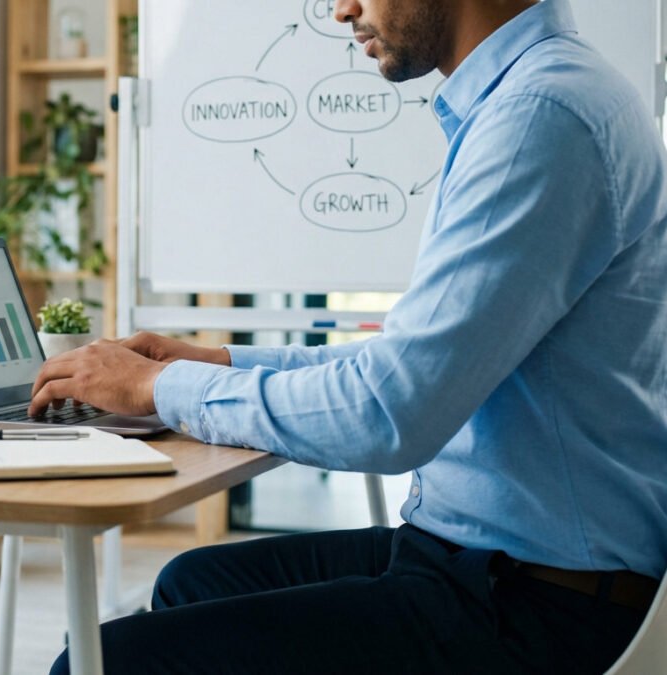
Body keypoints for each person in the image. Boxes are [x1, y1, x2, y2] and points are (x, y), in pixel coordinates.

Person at [33, 0, 667, 671]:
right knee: (189, 581)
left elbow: (389, 413)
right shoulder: (542, 95)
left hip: (535, 605)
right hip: (490, 560)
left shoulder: (540, 117)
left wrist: (157, 386)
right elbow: (408, 364)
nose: (342, 10)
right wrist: (217, 359)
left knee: (95, 663)